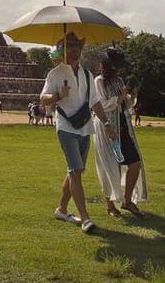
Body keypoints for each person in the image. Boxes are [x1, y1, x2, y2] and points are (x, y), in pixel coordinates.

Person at [40, 32, 114, 234]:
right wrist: (57, 95)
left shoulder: (87, 75)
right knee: (75, 171)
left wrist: (106, 124)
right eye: (70, 46)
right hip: (65, 127)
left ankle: (62, 209)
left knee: (76, 171)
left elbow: (95, 102)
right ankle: (85, 218)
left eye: (77, 46)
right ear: (64, 49)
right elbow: (43, 99)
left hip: (84, 127)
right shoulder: (55, 73)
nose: (75, 50)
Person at [93, 47, 147, 218]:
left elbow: (126, 104)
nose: (120, 69)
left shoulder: (119, 81)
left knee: (135, 163)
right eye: (116, 66)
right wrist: (120, 98)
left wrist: (131, 97)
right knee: (110, 165)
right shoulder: (99, 81)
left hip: (124, 128)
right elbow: (100, 104)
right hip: (107, 127)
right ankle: (110, 205)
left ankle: (127, 200)